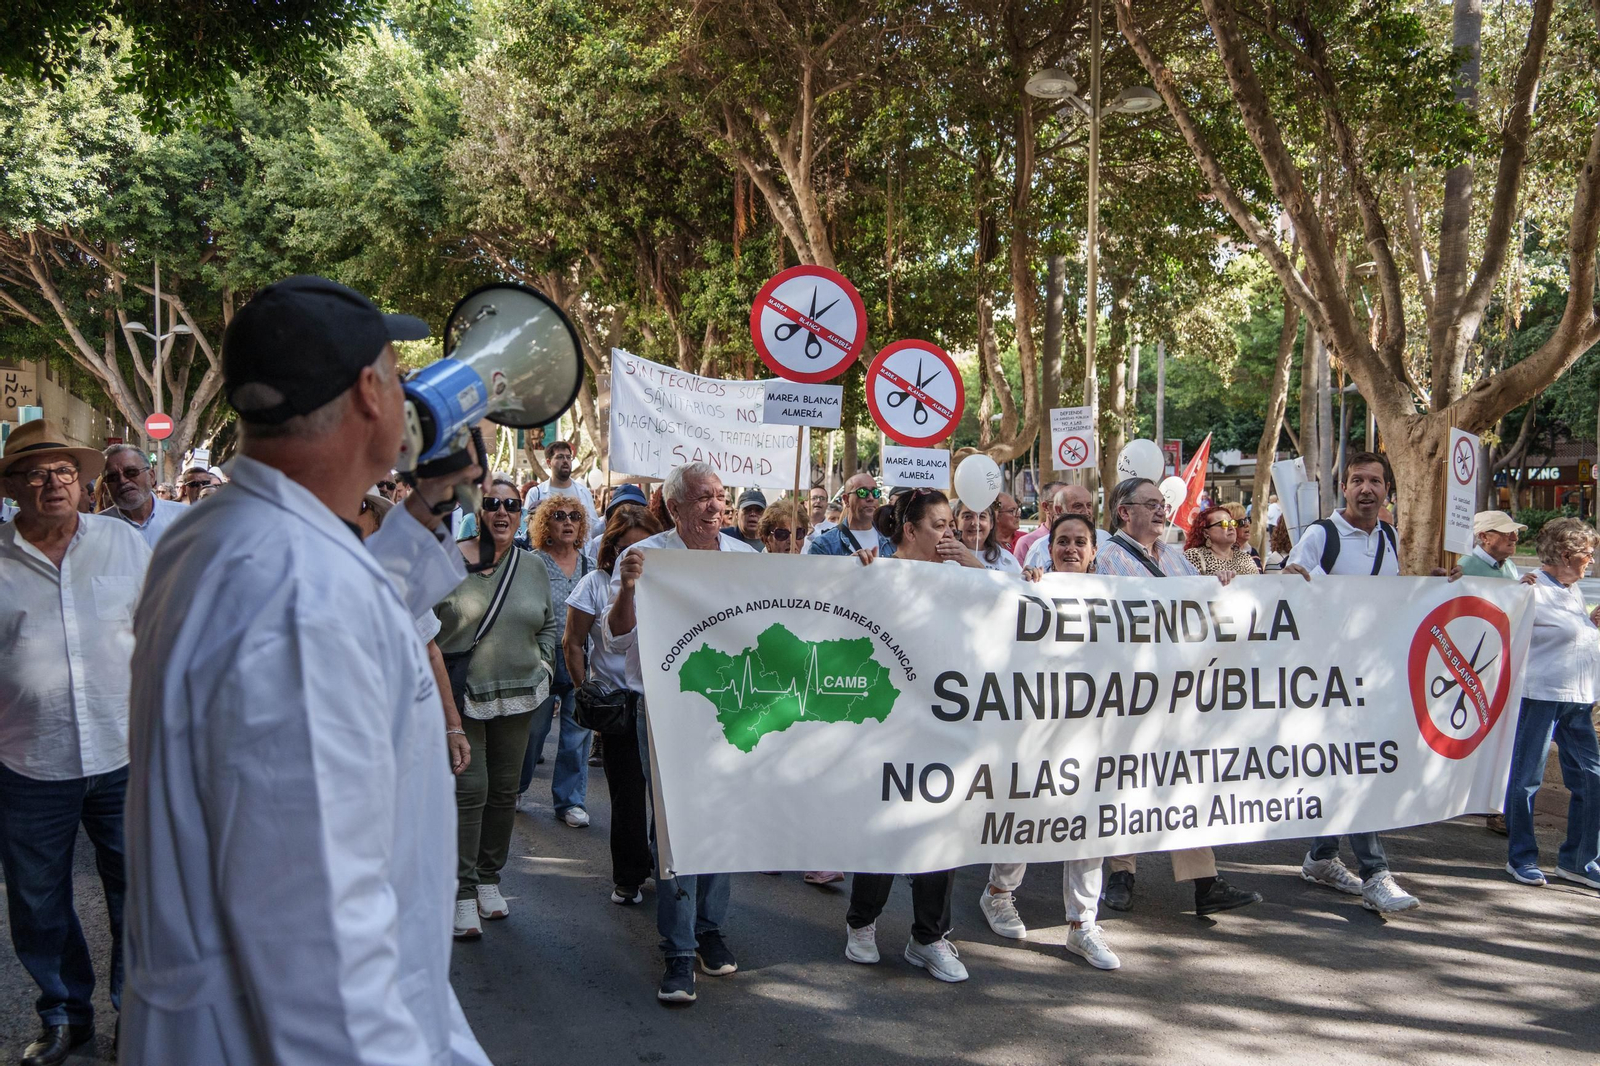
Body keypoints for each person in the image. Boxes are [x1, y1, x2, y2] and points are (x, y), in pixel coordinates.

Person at [120, 275, 491, 1065]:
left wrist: (424, 504)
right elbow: (319, 933)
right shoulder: (297, 595)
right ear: (368, 392)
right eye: (398, 373)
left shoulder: (224, 531)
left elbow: (357, 608)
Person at [0, 420, 150, 1066]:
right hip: (29, 763)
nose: (52, 483)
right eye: (35, 473)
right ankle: (64, 1015)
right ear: (11, 487)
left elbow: (163, 633)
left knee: (138, 894)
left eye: (62, 471)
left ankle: (137, 1013)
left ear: (82, 481)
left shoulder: (122, 544)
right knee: (38, 903)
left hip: (123, 754)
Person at [603, 461, 755, 1005]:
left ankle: (711, 927)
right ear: (674, 506)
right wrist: (627, 590)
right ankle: (679, 950)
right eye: (703, 498)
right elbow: (617, 639)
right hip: (668, 712)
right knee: (678, 830)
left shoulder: (747, 559)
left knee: (724, 821)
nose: (716, 506)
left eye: (720, 496)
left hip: (736, 712)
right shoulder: (644, 559)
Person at [1094, 477, 1264, 917]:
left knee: (1183, 778)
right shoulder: (1106, 558)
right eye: (1149, 504)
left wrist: (1221, 584)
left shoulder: (1174, 557)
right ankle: (1121, 874)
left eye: (1162, 504)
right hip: (1132, 689)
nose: (1160, 510)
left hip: (1181, 690)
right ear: (1123, 511)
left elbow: (1203, 606)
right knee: (1128, 779)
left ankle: (1205, 882)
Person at [1283, 452, 1421, 914]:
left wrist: (1438, 589)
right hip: (1324, 680)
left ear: (1387, 492)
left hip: (1368, 678)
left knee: (1346, 769)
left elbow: (1392, 603)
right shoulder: (1321, 536)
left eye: (1375, 482)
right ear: (1344, 487)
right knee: (1356, 768)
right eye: (1357, 480)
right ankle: (1376, 873)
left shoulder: (1389, 537)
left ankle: (1321, 857)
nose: (1366, 489)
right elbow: (1286, 591)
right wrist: (1288, 579)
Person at [982, 511, 1120, 971]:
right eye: (1063, 540)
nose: (1071, 549)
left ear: (1094, 551)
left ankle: (1083, 925)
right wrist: (1026, 589)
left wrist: (1222, 591)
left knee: (1090, 824)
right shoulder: (1032, 588)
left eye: (1081, 541)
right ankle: (999, 893)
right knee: (1025, 810)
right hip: (1036, 727)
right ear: (1050, 546)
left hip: (1093, 729)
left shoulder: (1119, 596)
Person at [845, 489, 969, 983]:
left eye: (950, 525)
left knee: (939, 827)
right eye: (938, 525)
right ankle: (862, 923)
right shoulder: (875, 569)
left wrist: (978, 566)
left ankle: (928, 937)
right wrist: (856, 574)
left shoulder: (963, 575)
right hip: (886, 721)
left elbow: (1009, 608)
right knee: (884, 821)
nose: (948, 534)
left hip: (944, 721)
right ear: (910, 529)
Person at [437, 478, 559, 939]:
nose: (502, 512)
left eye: (511, 504)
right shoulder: (447, 561)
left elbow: (548, 623)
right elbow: (424, 629)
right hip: (461, 699)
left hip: (521, 696)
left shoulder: (532, 566)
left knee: (506, 791)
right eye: (492, 504)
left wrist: (545, 668)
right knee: (471, 791)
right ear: (478, 511)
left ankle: (490, 879)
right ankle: (462, 892)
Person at [566, 508, 663, 905]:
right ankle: (629, 876)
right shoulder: (595, 583)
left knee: (666, 796)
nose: (634, 556)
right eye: (626, 548)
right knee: (626, 795)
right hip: (618, 706)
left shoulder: (671, 587)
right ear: (612, 548)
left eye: (644, 547)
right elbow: (573, 642)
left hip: (664, 704)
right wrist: (586, 692)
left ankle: (666, 864)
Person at [1503, 518, 1600, 888]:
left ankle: (1578, 860)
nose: (1591, 561)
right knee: (1527, 780)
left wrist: (1590, 624)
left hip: (1577, 700)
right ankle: (1521, 857)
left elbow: (1566, 636)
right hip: (1539, 697)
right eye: (1587, 555)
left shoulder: (1571, 589)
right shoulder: (1530, 590)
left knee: (1592, 780)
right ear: (1565, 554)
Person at [519, 494, 595, 828]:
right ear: (545, 524)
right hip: (540, 659)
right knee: (532, 732)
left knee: (576, 735)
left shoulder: (588, 566)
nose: (568, 522)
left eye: (575, 516)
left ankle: (569, 802)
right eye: (560, 516)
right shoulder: (531, 563)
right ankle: (517, 788)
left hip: (579, 658)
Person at [100, 443, 186, 548]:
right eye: (112, 477)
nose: (122, 481)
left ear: (151, 476)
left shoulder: (184, 517)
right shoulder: (96, 528)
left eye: (131, 472)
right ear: (106, 487)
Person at [807, 472, 894, 557]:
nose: (871, 498)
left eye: (875, 492)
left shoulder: (892, 540)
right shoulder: (823, 545)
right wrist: (848, 568)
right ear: (846, 500)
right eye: (862, 492)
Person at [1022, 485, 1108, 569]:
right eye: (1078, 506)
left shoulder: (1105, 538)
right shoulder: (1039, 548)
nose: (1086, 511)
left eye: (1089, 505)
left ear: (1093, 551)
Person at [523, 439, 600, 528]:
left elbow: (593, 529)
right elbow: (526, 527)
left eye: (568, 457)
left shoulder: (584, 492)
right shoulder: (535, 493)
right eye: (560, 457)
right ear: (549, 462)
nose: (565, 461)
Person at [1184, 504, 1260, 576]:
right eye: (1224, 524)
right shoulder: (1194, 556)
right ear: (1206, 532)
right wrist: (1214, 580)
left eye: (1233, 523)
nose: (1231, 527)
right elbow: (1187, 586)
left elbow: (1257, 586)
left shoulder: (1245, 558)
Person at [584, 483, 648, 562]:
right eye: (622, 507)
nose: (629, 512)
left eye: (634, 506)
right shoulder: (599, 544)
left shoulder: (654, 541)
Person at [955, 498, 1022, 573]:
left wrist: (1029, 576)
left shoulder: (1006, 559)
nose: (975, 523)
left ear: (991, 523)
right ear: (956, 521)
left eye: (982, 516)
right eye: (967, 516)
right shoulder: (947, 556)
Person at [1011, 480, 1068, 564]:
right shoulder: (1027, 542)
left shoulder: (1085, 539)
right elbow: (1018, 575)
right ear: (1045, 506)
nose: (1068, 508)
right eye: (1062, 502)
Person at [1459, 510, 1525, 580]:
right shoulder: (1465, 567)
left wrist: (1520, 584)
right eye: (1507, 533)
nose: (1515, 538)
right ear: (1484, 537)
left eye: (1515, 532)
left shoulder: (1509, 565)